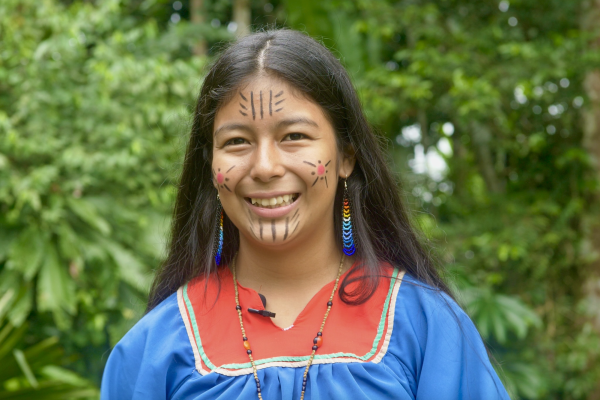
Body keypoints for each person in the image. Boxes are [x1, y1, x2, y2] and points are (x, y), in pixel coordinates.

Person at [101, 29, 511, 400]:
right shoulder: (157, 346)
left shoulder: (425, 328)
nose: (265, 167)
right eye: (238, 141)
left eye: (294, 136)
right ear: (211, 167)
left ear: (346, 155)